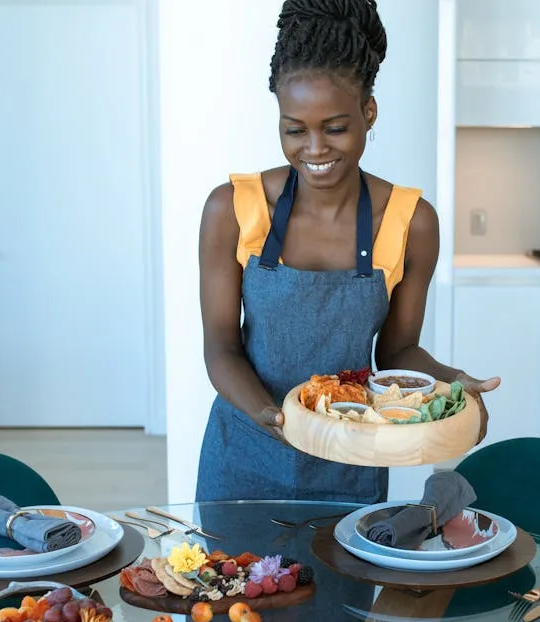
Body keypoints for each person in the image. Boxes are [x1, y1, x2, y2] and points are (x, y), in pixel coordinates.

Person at [196, 0, 499, 506]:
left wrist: (450, 385)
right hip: (244, 452)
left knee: (344, 585)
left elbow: (396, 352)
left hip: (351, 460)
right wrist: (274, 417)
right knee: (236, 586)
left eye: (334, 127)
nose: (314, 148)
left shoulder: (411, 220)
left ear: (368, 112)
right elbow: (221, 347)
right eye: (295, 129)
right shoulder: (233, 208)